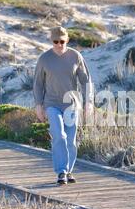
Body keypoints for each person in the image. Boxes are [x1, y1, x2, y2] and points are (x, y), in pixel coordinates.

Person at [33, 26, 93, 185]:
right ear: (51, 41)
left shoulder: (75, 56)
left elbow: (86, 80)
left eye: (62, 41)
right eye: (55, 41)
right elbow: (38, 84)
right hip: (52, 104)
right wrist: (39, 105)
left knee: (71, 140)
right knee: (59, 135)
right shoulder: (44, 59)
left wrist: (89, 102)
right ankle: (61, 172)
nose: (59, 44)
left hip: (71, 105)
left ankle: (69, 170)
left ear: (67, 40)